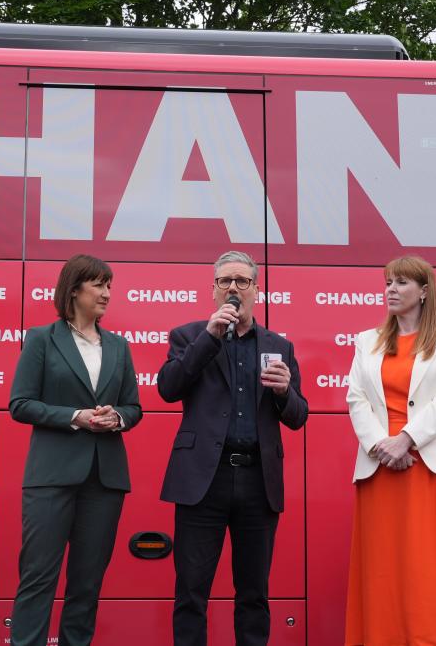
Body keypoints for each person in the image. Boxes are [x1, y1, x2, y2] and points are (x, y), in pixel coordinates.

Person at [158, 250, 308, 646]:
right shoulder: (189, 336)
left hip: (258, 482)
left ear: (257, 291)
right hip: (202, 481)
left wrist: (282, 391)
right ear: (213, 290)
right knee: (191, 592)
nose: (233, 288)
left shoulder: (279, 345)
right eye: (225, 281)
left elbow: (298, 416)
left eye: (242, 281)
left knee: (254, 594)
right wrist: (210, 337)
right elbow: (168, 388)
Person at [344, 255, 436, 645]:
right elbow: (356, 399)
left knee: (432, 567)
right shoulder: (366, 341)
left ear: (424, 291)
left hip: (429, 464)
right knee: (384, 568)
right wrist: (380, 445)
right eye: (389, 281)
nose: (391, 289)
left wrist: (405, 439)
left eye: (402, 283)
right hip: (379, 466)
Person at [9, 254, 143, 646]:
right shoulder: (41, 339)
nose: (106, 293)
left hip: (105, 479)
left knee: (86, 587)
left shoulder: (119, 346)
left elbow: (134, 406)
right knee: (38, 579)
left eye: (109, 286)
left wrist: (116, 417)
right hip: (51, 478)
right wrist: (77, 416)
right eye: (99, 285)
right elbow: (20, 404)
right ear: (74, 289)